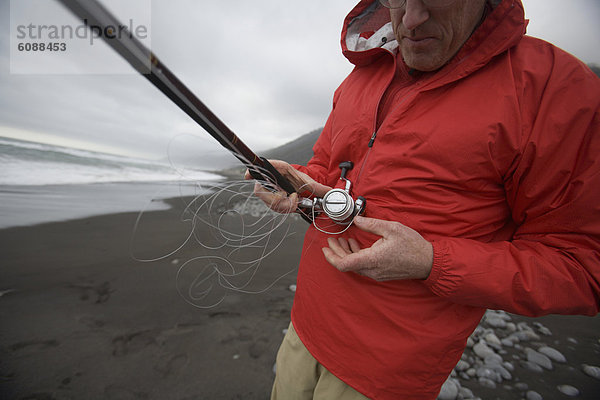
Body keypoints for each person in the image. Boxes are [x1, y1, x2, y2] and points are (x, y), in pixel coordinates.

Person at [246, 0, 600, 398]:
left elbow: (583, 263)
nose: (410, 21)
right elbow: (332, 170)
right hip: (307, 326)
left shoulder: (552, 88)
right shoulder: (360, 77)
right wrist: (303, 185)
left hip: (387, 369)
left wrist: (432, 262)